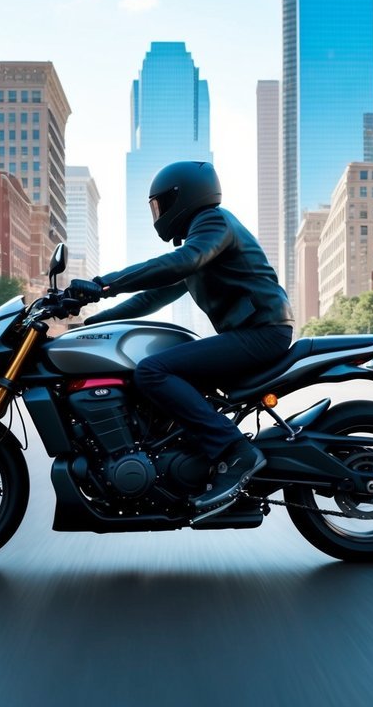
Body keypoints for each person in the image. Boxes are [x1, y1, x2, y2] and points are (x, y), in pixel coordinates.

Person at [67, 161, 294, 513]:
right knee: (154, 371)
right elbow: (151, 297)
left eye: (161, 203)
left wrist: (103, 284)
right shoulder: (201, 241)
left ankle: (235, 452)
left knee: (152, 371)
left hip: (263, 333)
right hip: (252, 333)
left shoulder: (213, 224)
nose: (159, 213)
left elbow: (182, 261)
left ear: (182, 196)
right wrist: (93, 323)